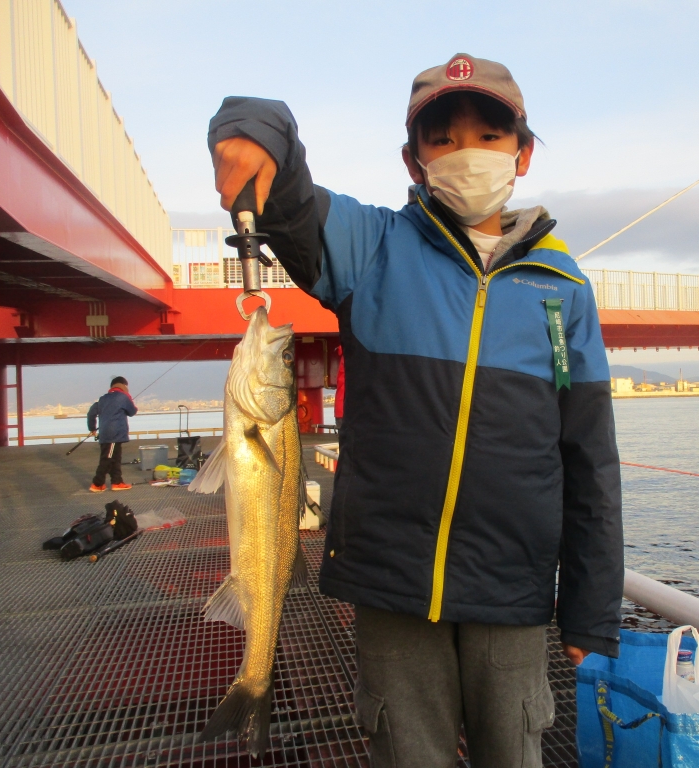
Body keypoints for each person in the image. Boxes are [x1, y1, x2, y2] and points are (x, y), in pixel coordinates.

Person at [209, 53, 623, 767]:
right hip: (392, 586)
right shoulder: (371, 248)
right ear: (414, 159)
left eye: (489, 136)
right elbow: (289, 203)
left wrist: (591, 607)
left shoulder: (564, 288)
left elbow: (589, 461)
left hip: (513, 589)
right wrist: (256, 129)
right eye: (443, 139)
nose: (467, 152)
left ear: (522, 154)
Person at [86, 376, 137, 492]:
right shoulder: (123, 397)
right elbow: (132, 411)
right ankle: (97, 484)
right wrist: (130, 401)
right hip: (114, 433)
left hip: (105, 433)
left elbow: (91, 413)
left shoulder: (103, 399)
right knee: (107, 459)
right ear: (124, 386)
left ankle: (117, 482)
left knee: (115, 458)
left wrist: (92, 428)